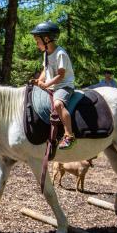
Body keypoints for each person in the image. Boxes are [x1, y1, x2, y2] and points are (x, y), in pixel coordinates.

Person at [30, 20, 76, 150]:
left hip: (64, 86)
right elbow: (45, 70)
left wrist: (46, 84)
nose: (36, 44)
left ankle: (69, 135)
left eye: (37, 41)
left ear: (46, 39)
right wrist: (39, 81)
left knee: (58, 104)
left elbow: (61, 75)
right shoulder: (46, 54)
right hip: (52, 86)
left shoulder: (60, 53)